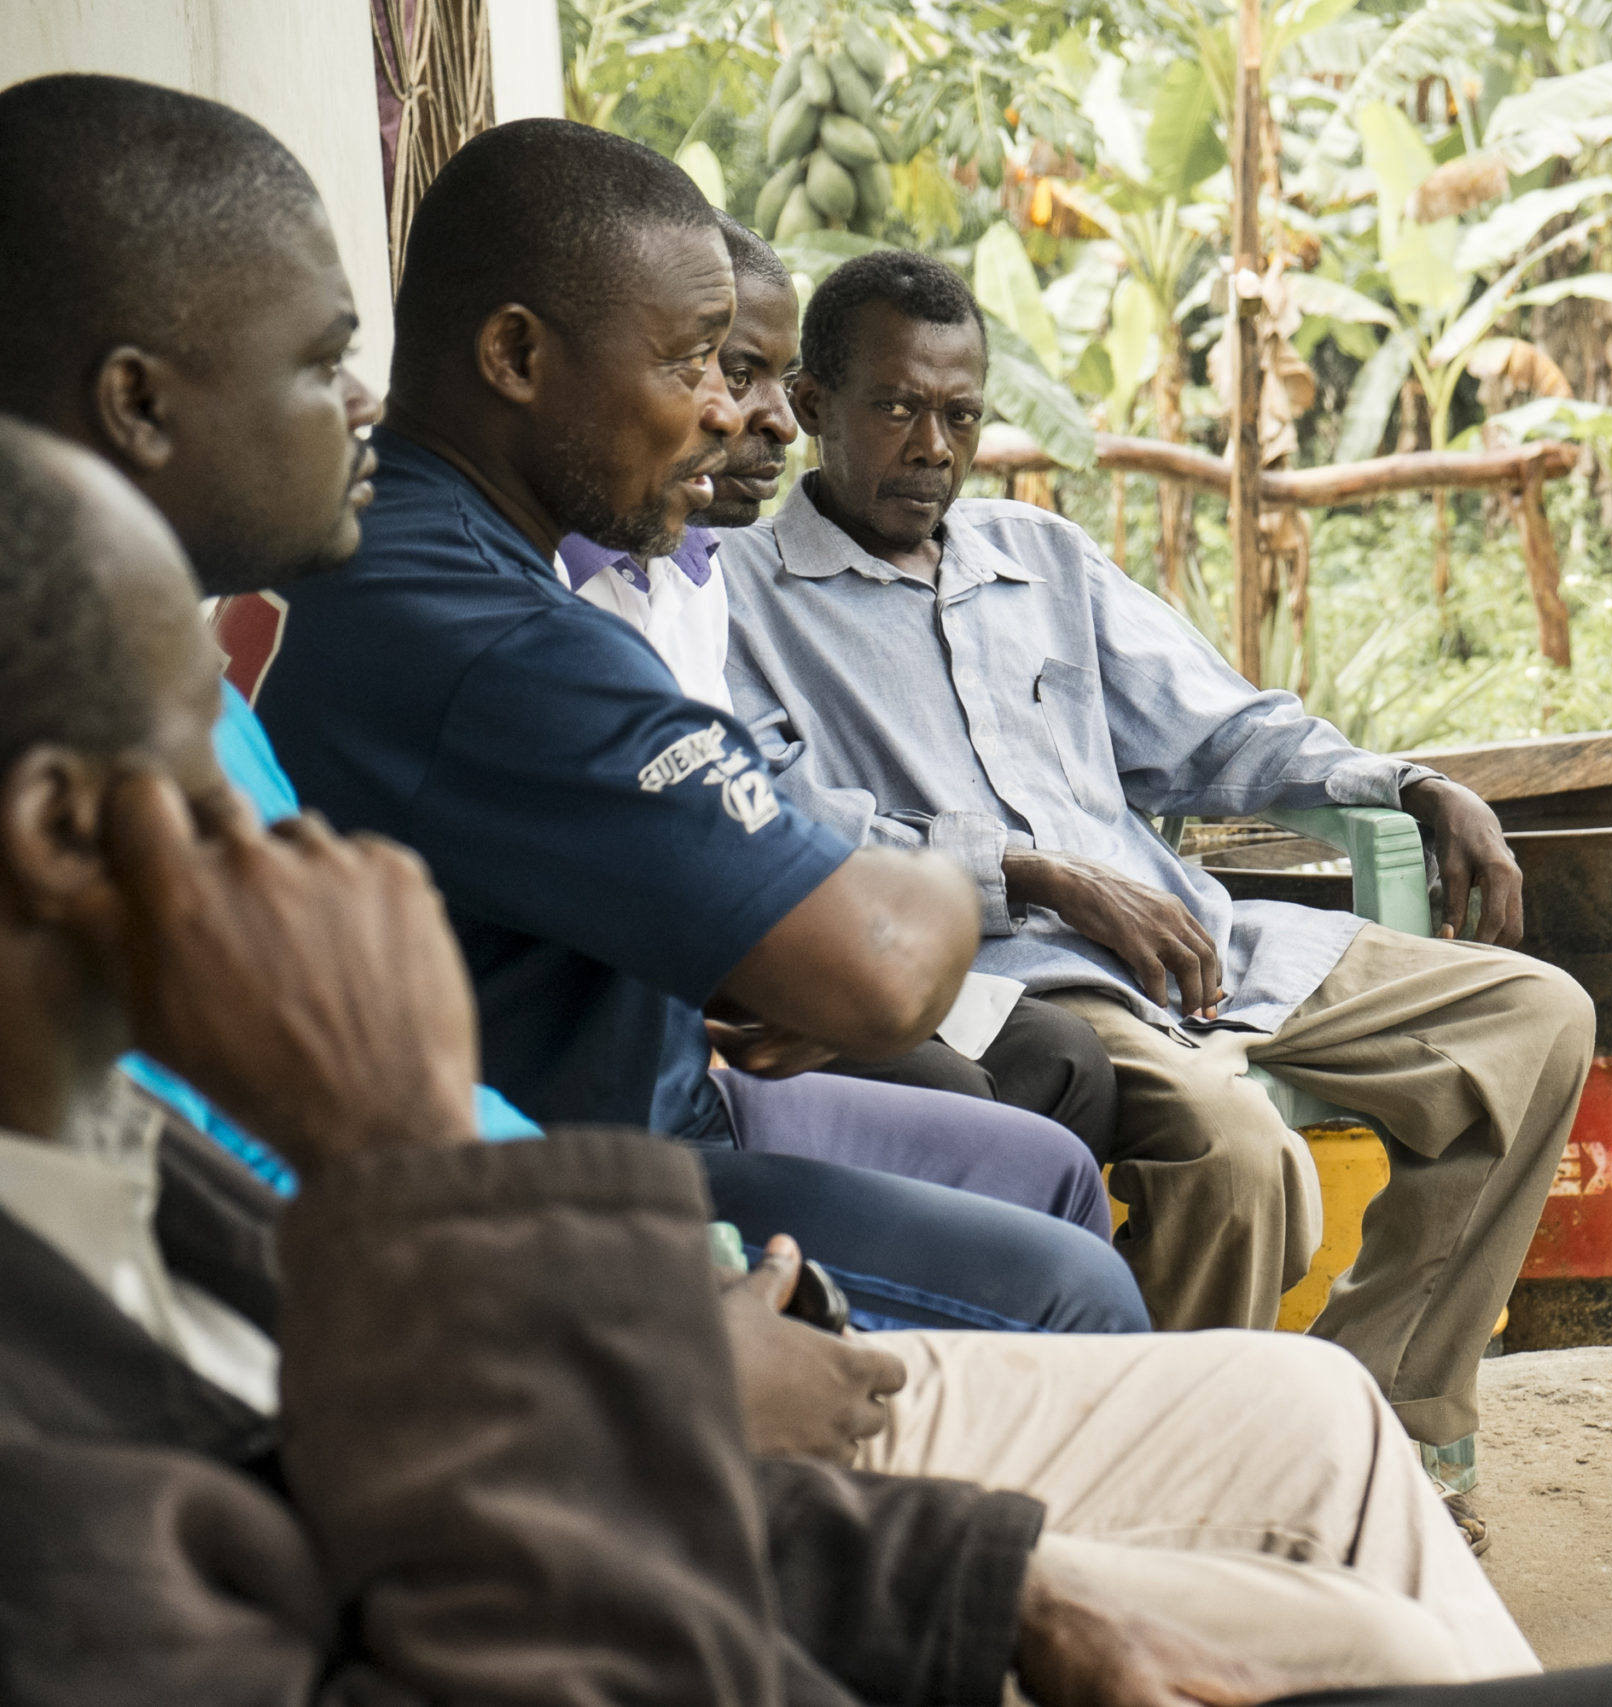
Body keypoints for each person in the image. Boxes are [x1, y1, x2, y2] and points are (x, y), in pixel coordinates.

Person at [0, 418, 1612, 1707]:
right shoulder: (77, 1361)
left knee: (1407, 1271)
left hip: (776, 1329)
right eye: (224, 786)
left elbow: (1173, 739)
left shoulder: (121, 1162)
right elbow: (835, 915)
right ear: (66, 830)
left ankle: (1396, 1406)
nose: (292, 847)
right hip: (989, 1009)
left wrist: (1006, 1593)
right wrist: (415, 1155)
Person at [0, 72, 1138, 1335]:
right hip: (550, 1184)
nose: (725, 410)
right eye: (691, 361)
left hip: (605, 1114)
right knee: (1070, 1291)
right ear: (519, 357)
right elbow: (873, 970)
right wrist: (938, 883)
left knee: (1048, 1170)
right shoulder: (475, 624)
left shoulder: (379, 568)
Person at [720, 249, 1597, 1492]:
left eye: (960, 414)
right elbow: (802, 843)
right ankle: (1170, 1485)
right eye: (897, 407)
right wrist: (1038, 876)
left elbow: (1222, 729)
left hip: (1203, 949)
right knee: (1239, 1161)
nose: (932, 444)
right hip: (1025, 985)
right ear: (812, 405)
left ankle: (1372, 1425)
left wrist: (1409, 781)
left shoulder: (1040, 558)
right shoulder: (747, 601)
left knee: (1534, 1018)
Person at [560, 210, 1117, 1157]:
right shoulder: (560, 599)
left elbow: (732, 814)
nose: (769, 418)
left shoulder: (692, 572)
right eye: (734, 372)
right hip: (653, 1025)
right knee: (973, 1113)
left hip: (759, 946)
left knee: (1063, 1066)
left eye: (775, 382)